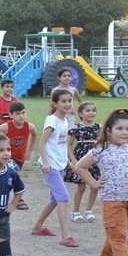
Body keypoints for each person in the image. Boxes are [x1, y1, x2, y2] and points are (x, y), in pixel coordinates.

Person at [75, 109, 128, 256]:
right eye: (120, 128)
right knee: (118, 234)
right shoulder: (100, 150)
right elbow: (80, 167)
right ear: (109, 131)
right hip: (112, 200)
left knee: (118, 232)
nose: (125, 132)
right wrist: (93, 183)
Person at [31, 89, 77, 247]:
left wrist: (69, 160)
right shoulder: (52, 120)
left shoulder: (64, 121)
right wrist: (45, 163)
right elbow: (42, 143)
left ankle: (38, 227)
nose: (67, 104)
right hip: (50, 165)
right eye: (63, 101)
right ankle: (66, 235)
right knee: (63, 196)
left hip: (59, 164)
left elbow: (61, 144)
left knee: (55, 199)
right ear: (54, 103)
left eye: (69, 101)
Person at [0, 101, 37, 210]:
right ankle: (18, 199)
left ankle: (7, 196)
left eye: (23, 113)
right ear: (11, 115)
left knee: (13, 176)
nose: (21, 116)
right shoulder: (7, 126)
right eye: (18, 113)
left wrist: (29, 150)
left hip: (21, 156)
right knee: (14, 174)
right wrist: (3, 139)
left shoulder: (29, 126)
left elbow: (34, 134)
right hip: (9, 157)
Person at [65, 102, 100, 223]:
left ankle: (89, 210)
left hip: (95, 160)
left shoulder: (99, 127)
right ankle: (75, 211)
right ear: (80, 113)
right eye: (88, 110)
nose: (91, 113)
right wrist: (73, 160)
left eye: (93, 110)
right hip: (81, 158)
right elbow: (68, 145)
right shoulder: (76, 128)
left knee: (95, 186)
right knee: (81, 186)